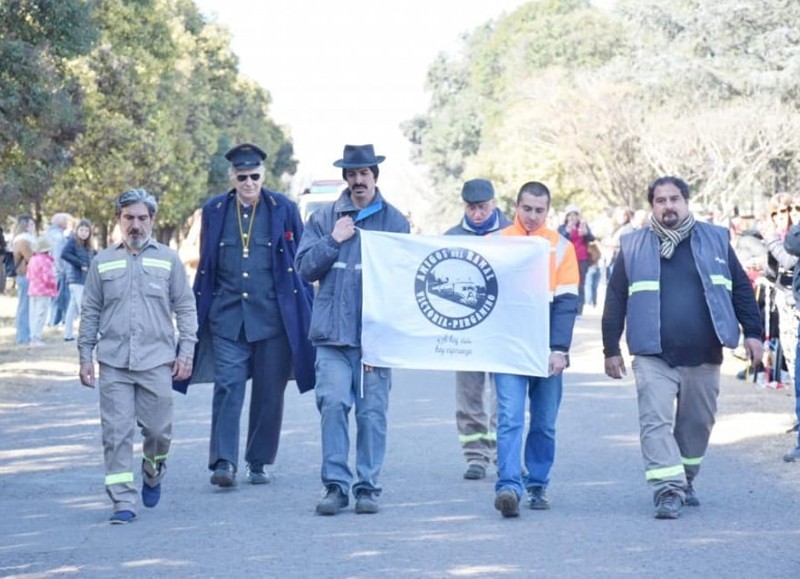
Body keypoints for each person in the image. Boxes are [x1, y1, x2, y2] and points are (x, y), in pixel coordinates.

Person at [601, 176, 762, 520]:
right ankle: (667, 489)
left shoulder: (716, 239)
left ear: (687, 202)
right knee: (654, 422)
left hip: (703, 354)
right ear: (652, 207)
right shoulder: (633, 245)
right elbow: (615, 299)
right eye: (660, 200)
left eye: (675, 199)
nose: (668, 206)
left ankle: (685, 479)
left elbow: (741, 290)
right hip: (652, 354)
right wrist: (610, 348)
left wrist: (754, 333)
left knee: (697, 425)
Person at [176, 143, 316, 488]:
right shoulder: (214, 210)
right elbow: (207, 261)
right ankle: (223, 462)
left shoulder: (284, 208)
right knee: (228, 387)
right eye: (243, 177)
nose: (249, 182)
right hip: (227, 317)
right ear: (233, 178)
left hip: (273, 319)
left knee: (270, 393)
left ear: (262, 176)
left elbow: (299, 262)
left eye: (255, 176)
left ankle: (258, 461)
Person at [296, 144, 410, 515]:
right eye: (352, 174)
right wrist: (334, 240)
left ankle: (367, 488)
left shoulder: (395, 222)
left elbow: (404, 281)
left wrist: (392, 336)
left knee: (371, 413)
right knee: (332, 404)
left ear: (375, 176)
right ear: (345, 178)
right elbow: (305, 270)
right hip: (331, 335)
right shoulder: (324, 217)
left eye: (364, 173)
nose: (358, 180)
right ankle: (335, 487)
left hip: (375, 338)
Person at [78, 189, 197, 525]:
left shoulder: (169, 260)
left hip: (157, 361)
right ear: (119, 219)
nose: (135, 225)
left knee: (159, 432)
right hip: (115, 362)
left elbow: (185, 308)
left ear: (152, 220)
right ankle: (122, 501)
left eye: (142, 218)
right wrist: (85, 355)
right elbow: (90, 312)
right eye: (129, 217)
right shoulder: (102, 262)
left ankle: (153, 470)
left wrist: (186, 351)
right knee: (115, 434)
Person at [493, 181, 580, 518]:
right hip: (509, 348)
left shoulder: (561, 246)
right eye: (526, 208)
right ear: (516, 206)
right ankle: (508, 487)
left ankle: (538, 484)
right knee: (510, 418)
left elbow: (568, 301)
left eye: (539, 210)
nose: (531, 215)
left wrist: (559, 349)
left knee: (544, 422)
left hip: (546, 348)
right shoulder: (496, 243)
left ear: (548, 211)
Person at [443, 178, 511, 480]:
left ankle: (502, 454)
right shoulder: (451, 237)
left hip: (503, 329)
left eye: (482, 207)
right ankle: (475, 456)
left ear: (493, 203)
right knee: (468, 395)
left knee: (505, 397)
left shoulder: (514, 234)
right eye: (472, 208)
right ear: (464, 207)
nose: (478, 214)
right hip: (467, 329)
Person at [61, 219, 96, 342]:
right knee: (84, 307)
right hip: (75, 278)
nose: (84, 233)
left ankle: (68, 334)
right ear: (77, 230)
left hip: (84, 279)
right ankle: (89, 334)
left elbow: (93, 257)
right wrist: (80, 264)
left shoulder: (88, 245)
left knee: (73, 308)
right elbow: (64, 254)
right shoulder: (72, 241)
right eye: (81, 230)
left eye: (87, 230)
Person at [557, 205, 595, 315]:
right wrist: (567, 232)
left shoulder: (583, 226)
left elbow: (592, 239)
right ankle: (567, 307)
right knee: (567, 284)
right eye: (571, 215)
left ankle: (579, 310)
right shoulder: (562, 228)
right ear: (567, 216)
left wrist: (586, 233)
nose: (573, 218)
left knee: (580, 284)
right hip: (566, 260)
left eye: (575, 215)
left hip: (581, 259)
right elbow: (559, 241)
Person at [27, 235, 58, 346]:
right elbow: (48, 277)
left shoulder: (32, 259)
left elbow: (28, 275)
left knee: (33, 314)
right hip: (44, 291)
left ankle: (32, 336)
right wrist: (54, 284)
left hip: (32, 290)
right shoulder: (47, 261)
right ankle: (37, 337)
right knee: (41, 314)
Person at [12, 215, 37, 345]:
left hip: (28, 275)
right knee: (24, 306)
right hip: (25, 275)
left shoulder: (25, 240)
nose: (34, 227)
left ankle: (26, 334)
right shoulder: (23, 240)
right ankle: (22, 336)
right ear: (26, 226)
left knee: (28, 306)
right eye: (31, 224)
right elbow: (31, 257)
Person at [45, 213, 71, 327]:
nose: (67, 224)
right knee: (58, 297)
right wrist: (61, 269)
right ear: (61, 223)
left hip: (46, 271)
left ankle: (51, 320)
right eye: (66, 221)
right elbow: (58, 255)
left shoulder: (47, 234)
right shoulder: (58, 237)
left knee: (50, 297)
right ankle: (55, 320)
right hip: (57, 271)